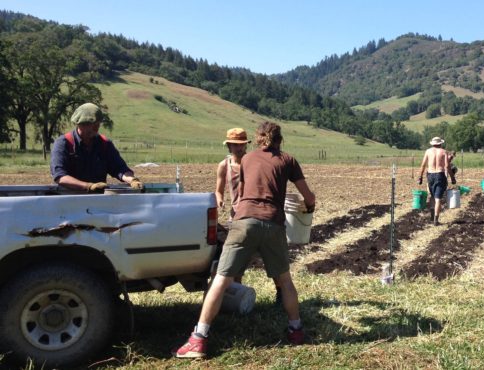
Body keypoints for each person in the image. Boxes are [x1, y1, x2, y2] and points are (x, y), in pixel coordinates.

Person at [175, 121, 316, 358]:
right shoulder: (288, 160)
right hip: (273, 223)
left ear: (257, 139)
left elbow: (242, 190)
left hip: (243, 221)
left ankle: (198, 339)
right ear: (280, 140)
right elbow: (308, 196)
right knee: (285, 280)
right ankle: (296, 330)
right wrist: (309, 206)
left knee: (220, 279)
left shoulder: (246, 160)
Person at [214, 128, 281, 303]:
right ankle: (237, 295)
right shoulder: (224, 166)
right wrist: (220, 200)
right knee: (236, 262)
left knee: (270, 257)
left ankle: (280, 291)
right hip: (236, 217)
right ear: (228, 146)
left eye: (241, 144)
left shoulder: (253, 161)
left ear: (246, 145)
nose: (238, 148)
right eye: (234, 145)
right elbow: (218, 191)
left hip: (258, 214)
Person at [50, 103, 142, 192]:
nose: (96, 128)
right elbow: (60, 177)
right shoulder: (64, 144)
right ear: (80, 124)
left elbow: (120, 169)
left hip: (98, 201)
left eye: (98, 124)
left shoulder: (105, 144)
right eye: (92, 124)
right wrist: (88, 186)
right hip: (69, 200)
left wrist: (132, 180)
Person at [417, 137, 451, 226]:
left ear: (432, 143)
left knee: (432, 196)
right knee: (438, 198)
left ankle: (432, 217)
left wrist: (420, 177)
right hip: (440, 174)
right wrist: (452, 178)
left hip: (430, 175)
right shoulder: (444, 152)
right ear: (440, 143)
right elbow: (447, 166)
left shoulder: (428, 151)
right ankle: (436, 220)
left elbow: (423, 165)